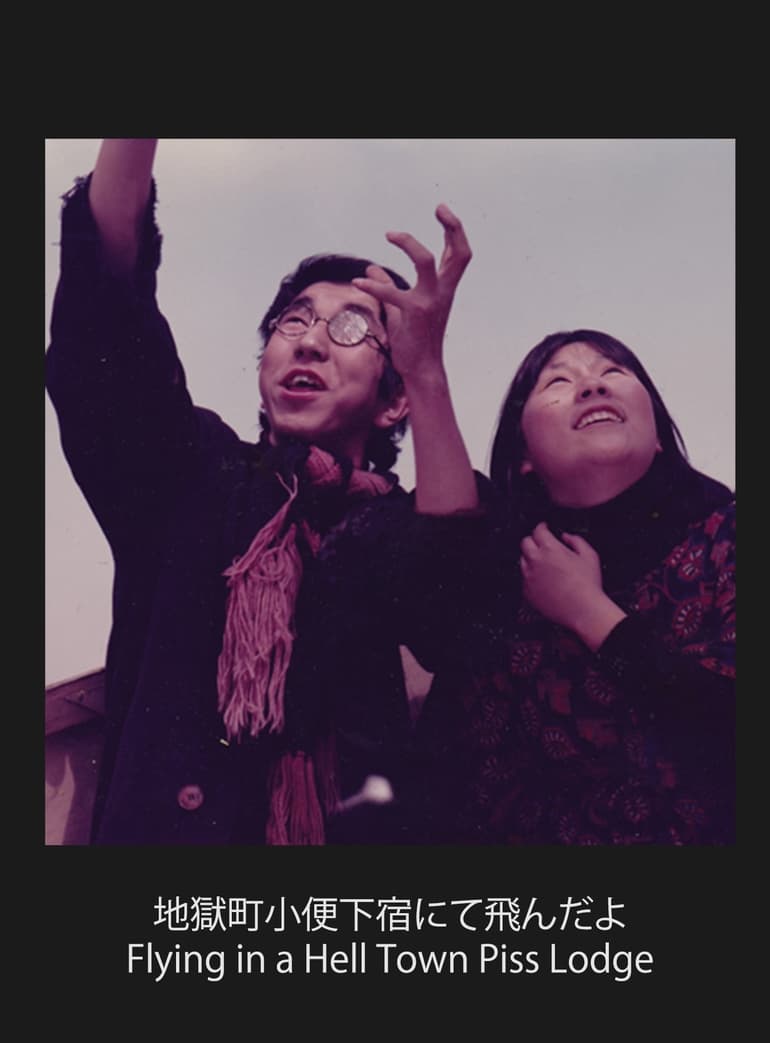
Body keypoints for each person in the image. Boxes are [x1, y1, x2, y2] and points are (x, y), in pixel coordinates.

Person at [46, 138, 481, 846]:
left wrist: (427, 371)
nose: (309, 343)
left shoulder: (399, 521)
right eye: (293, 321)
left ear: (394, 399)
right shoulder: (193, 475)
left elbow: (459, 606)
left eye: (352, 328)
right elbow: (109, 317)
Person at [415, 329, 735, 845]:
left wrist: (589, 613)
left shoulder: (728, 535)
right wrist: (424, 374)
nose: (592, 386)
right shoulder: (505, 581)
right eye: (558, 382)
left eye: (613, 372)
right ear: (523, 456)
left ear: (658, 435)